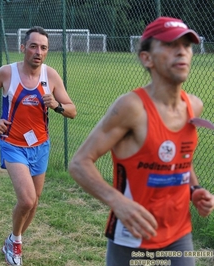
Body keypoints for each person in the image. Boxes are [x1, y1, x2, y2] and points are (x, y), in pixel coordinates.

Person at [69, 16, 214, 266]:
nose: (182, 51)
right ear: (146, 58)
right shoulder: (132, 107)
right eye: (170, 45)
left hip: (179, 234)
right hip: (133, 237)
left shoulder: (194, 105)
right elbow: (80, 163)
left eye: (187, 45)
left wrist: (194, 189)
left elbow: (181, 157)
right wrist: (118, 202)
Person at [0, 26, 76, 265]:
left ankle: (12, 238)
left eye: (43, 48)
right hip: (13, 144)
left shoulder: (51, 76)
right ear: (23, 48)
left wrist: (57, 105)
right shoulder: (7, 73)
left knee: (35, 201)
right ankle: (17, 244)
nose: (38, 52)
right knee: (27, 200)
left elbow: (72, 110)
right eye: (33, 46)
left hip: (40, 146)